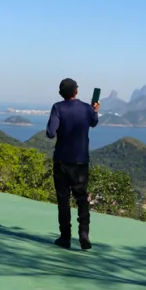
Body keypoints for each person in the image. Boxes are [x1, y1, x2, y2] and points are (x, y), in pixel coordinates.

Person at [45, 77, 100, 250]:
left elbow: (50, 133)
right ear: (76, 91)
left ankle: (65, 237)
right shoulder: (86, 109)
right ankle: (84, 235)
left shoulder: (57, 108)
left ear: (62, 93)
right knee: (82, 199)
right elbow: (94, 122)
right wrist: (95, 110)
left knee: (63, 200)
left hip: (61, 161)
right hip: (81, 162)